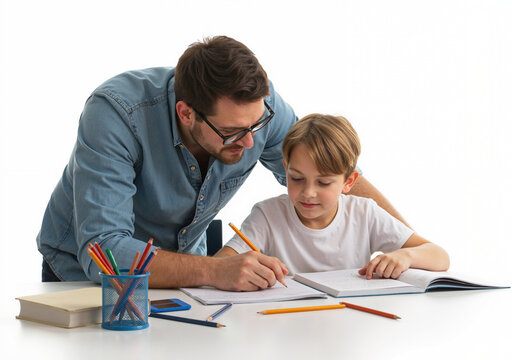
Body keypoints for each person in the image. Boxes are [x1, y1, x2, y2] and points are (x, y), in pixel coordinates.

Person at [36, 35, 410, 291]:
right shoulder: (117, 114)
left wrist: (405, 244)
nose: (250, 142)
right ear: (186, 113)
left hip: (188, 277)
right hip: (83, 280)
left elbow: (329, 169)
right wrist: (215, 270)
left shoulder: (258, 110)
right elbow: (104, 251)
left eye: (257, 125)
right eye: (232, 132)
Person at [218, 114, 449, 279]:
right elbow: (219, 265)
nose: (308, 192)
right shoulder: (268, 215)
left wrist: (405, 256)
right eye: (297, 178)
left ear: (348, 182)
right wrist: (240, 268)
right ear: (286, 168)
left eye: (324, 182)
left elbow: (439, 256)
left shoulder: (365, 213)